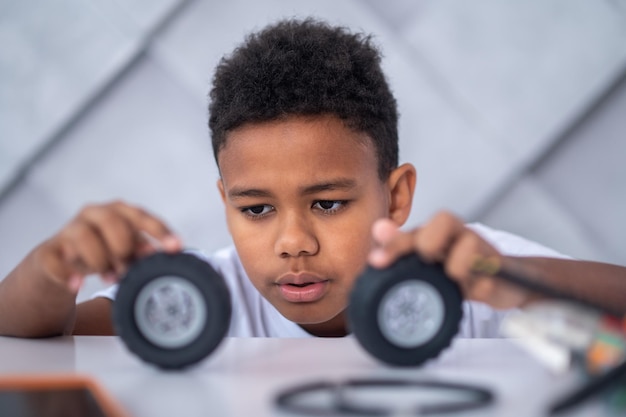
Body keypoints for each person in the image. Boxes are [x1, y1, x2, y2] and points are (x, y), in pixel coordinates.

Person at [0, 18, 624, 339]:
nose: (292, 241)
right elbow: (27, 334)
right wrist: (54, 268)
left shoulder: (465, 275)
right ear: (225, 203)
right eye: (256, 210)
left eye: (326, 203)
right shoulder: (203, 302)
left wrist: (515, 280)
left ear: (397, 194)